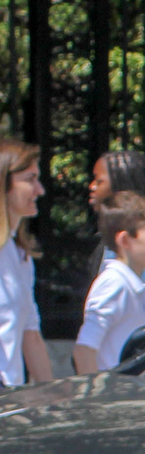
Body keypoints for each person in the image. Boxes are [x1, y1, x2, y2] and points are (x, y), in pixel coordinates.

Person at [73, 193, 145, 373]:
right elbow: (83, 350)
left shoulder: (131, 284)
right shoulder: (114, 284)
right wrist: (97, 397)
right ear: (124, 240)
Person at [86, 149, 145, 322]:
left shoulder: (138, 255)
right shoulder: (124, 247)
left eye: (99, 181)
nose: (92, 187)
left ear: (120, 187)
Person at [0, 137, 49, 386]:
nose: (40, 190)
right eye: (30, 180)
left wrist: (53, 399)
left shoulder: (21, 255)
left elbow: (31, 335)